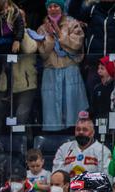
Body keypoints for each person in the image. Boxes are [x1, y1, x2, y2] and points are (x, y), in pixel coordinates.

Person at [37, 0, 88, 131]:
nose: (53, 9)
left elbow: (76, 45)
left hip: (70, 71)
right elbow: (43, 53)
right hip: (51, 72)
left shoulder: (73, 24)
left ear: (62, 8)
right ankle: (54, 138)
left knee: (71, 109)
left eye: (56, 6)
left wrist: (59, 32)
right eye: (50, 6)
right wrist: (49, 35)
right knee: (52, 112)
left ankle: (75, 133)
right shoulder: (42, 29)